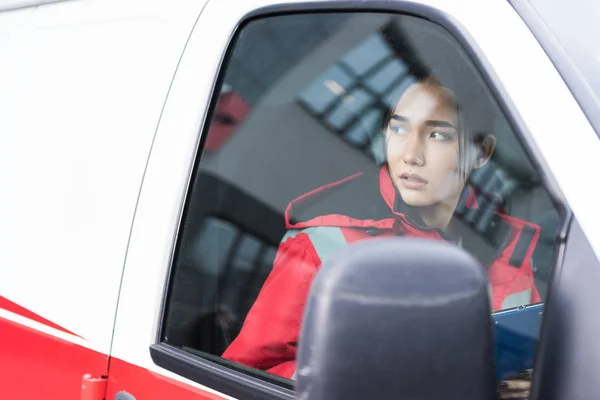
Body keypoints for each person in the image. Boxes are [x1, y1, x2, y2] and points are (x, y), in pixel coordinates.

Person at [222, 75, 541, 390]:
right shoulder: (326, 241)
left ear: (481, 152)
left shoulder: (509, 250)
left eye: (438, 136)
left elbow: (529, 364)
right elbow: (246, 377)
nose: (411, 155)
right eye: (400, 129)